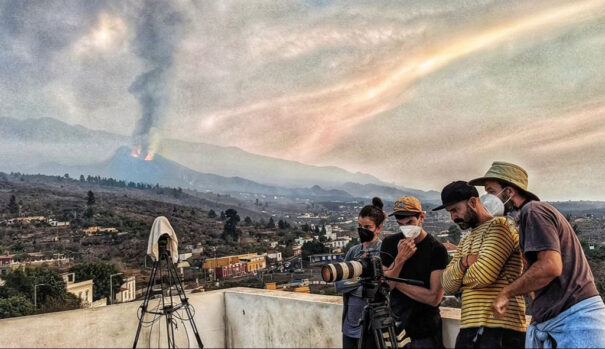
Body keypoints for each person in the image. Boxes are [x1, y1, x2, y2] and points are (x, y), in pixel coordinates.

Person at [480, 162, 605, 348]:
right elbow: (539, 278)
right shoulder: (526, 219)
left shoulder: (534, 211)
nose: (487, 198)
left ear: (509, 191)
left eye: (491, 191)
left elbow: (550, 266)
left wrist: (505, 293)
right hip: (561, 321)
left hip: (576, 322)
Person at [436, 181, 526, 349]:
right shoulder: (467, 240)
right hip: (469, 328)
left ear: (472, 202)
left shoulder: (500, 226)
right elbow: (447, 285)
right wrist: (465, 263)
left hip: (500, 328)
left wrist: (460, 281)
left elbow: (483, 276)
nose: (453, 217)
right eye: (449, 212)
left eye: (455, 210)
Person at [380, 196, 448, 348]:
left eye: (410, 222)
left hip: (424, 331)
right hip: (396, 328)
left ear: (421, 217)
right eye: (401, 224)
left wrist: (394, 280)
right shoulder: (389, 243)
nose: (406, 228)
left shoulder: (436, 249)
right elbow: (384, 287)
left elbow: (433, 298)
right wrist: (400, 258)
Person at [335, 197, 384, 349]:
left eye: (367, 227)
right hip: (350, 326)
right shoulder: (353, 251)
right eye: (359, 226)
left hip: (373, 327)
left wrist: (354, 283)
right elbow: (338, 285)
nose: (362, 230)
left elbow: (378, 289)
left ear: (378, 227)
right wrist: (362, 283)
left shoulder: (384, 252)